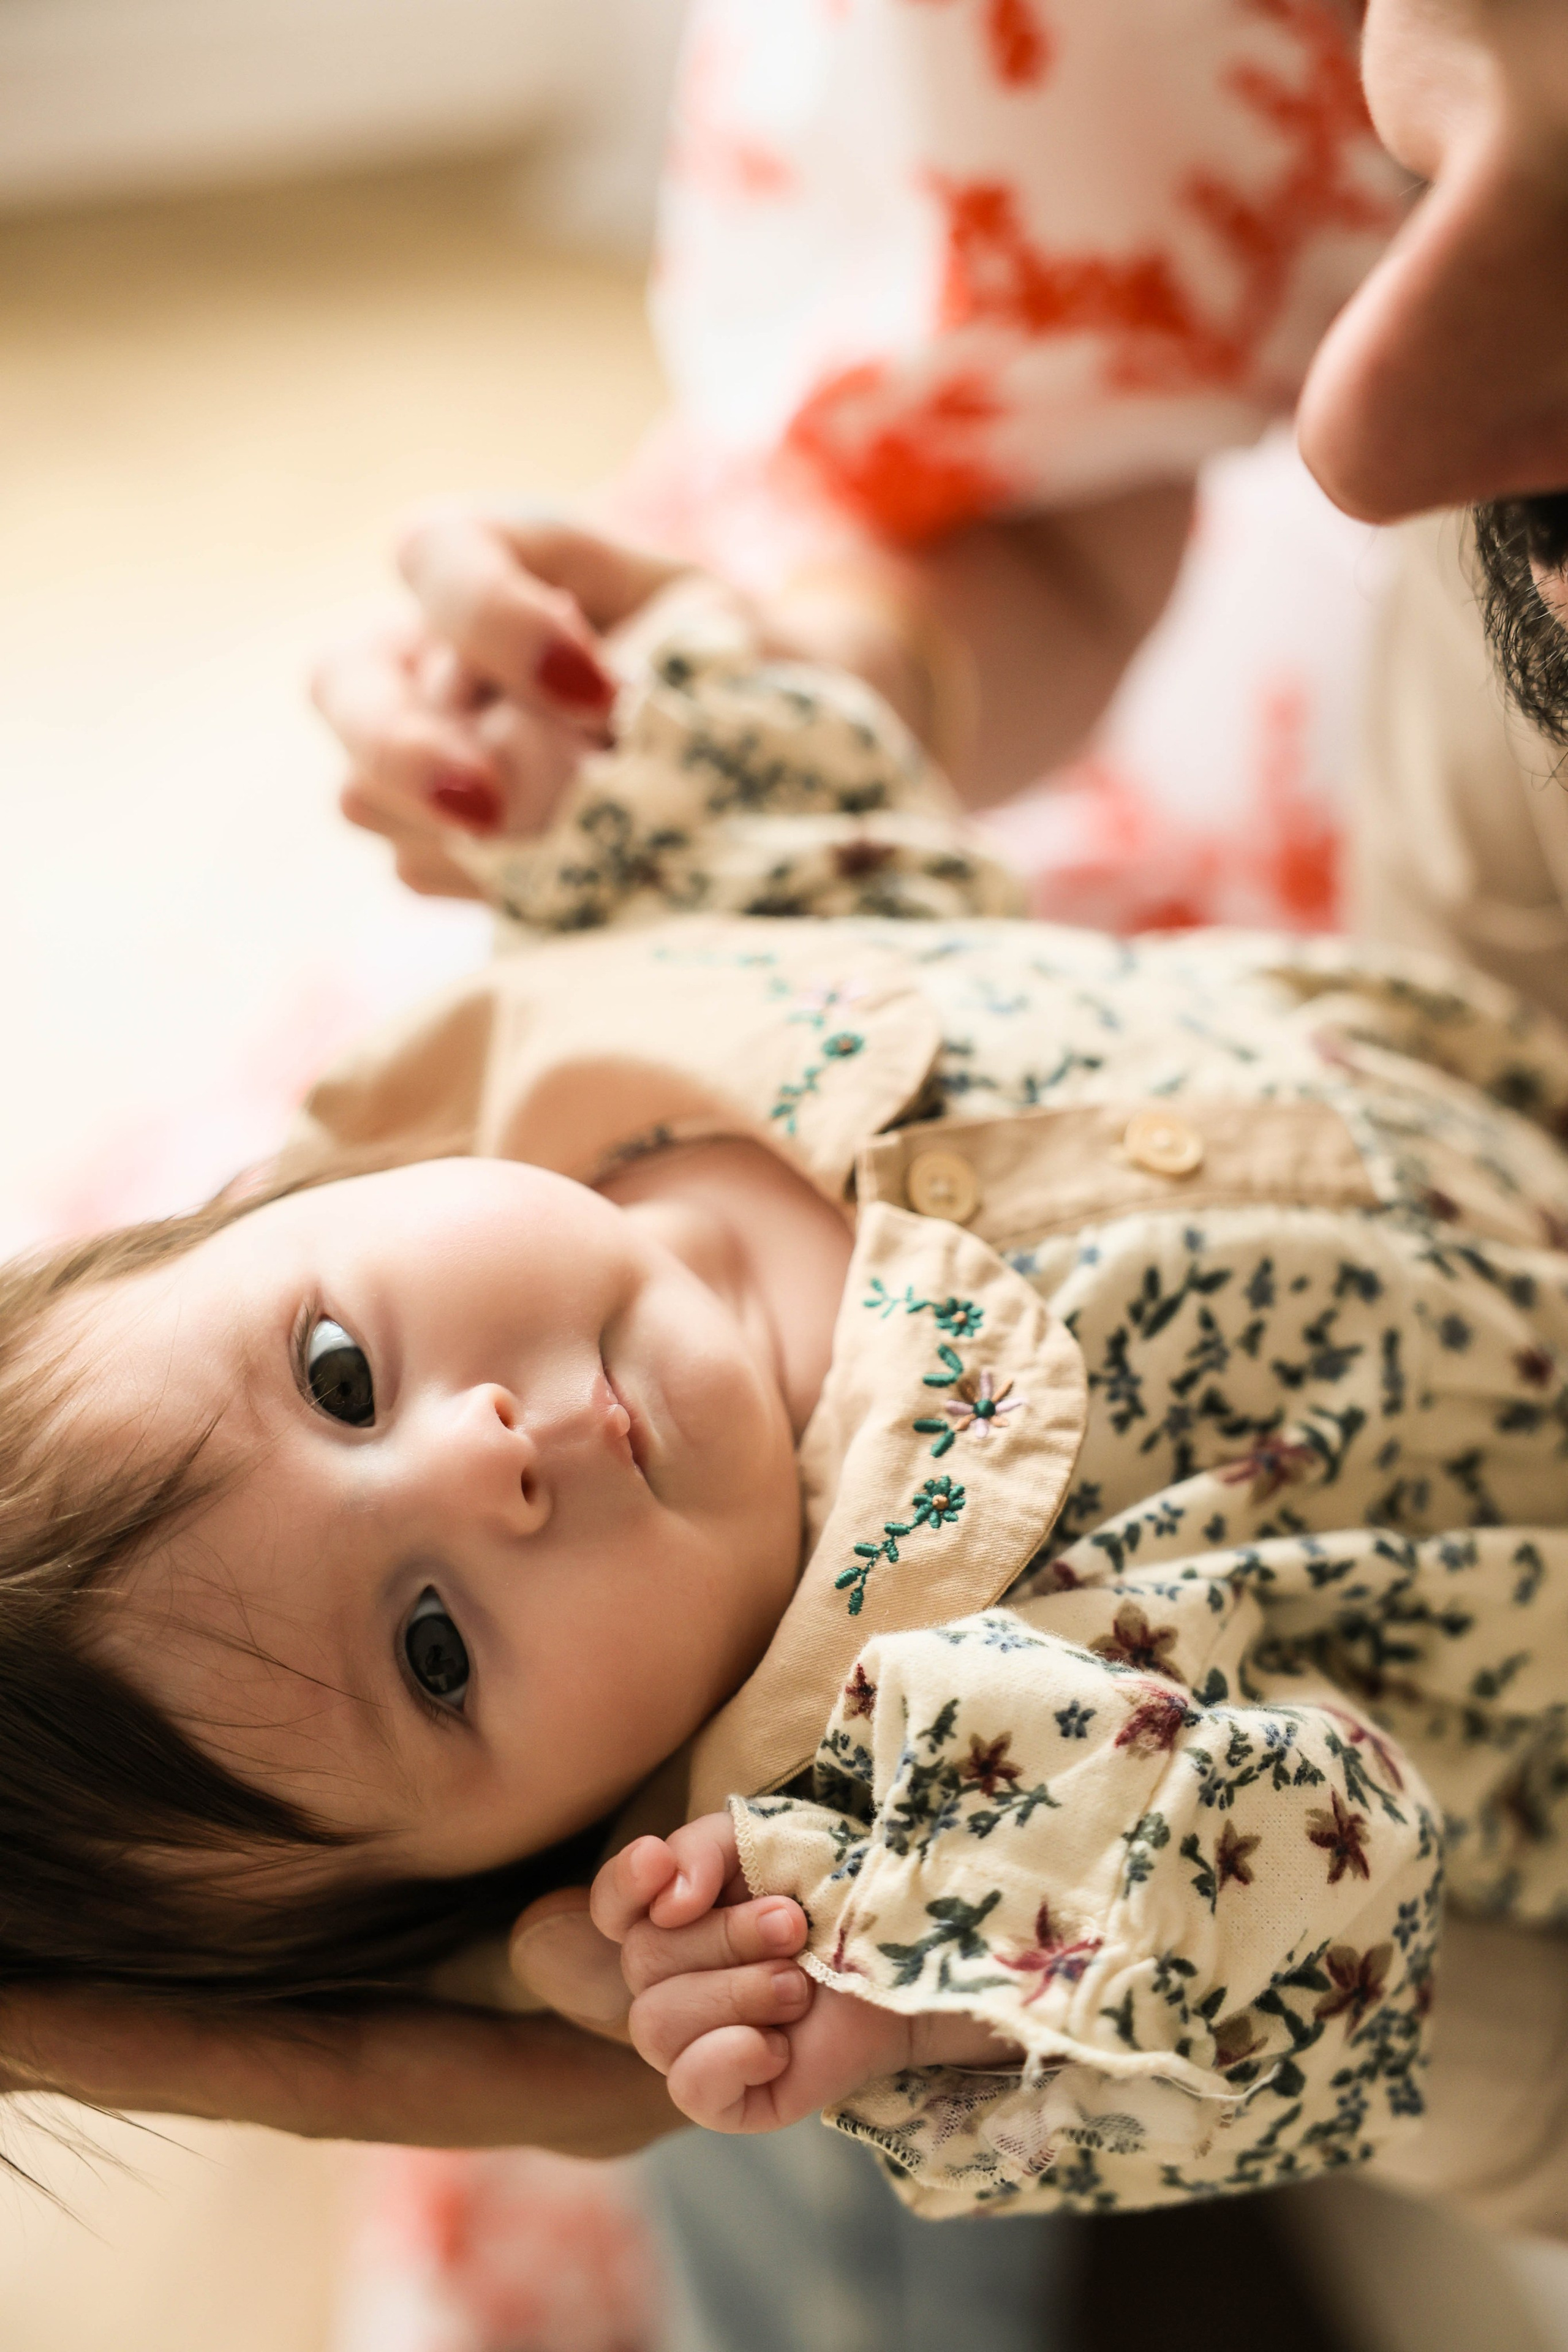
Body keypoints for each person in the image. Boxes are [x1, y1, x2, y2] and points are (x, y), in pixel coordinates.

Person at [6, 581, 1568, 2234]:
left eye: (339, 1378)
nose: (483, 1459)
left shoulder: (585, 1011)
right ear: (538, 1855)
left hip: (1483, 1045)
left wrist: (591, 731)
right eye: (434, 1651)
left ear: (276, 1204)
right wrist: (937, 1997)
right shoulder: (902, 1793)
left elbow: (852, 815)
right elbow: (1332, 1920)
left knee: (1465, 603)